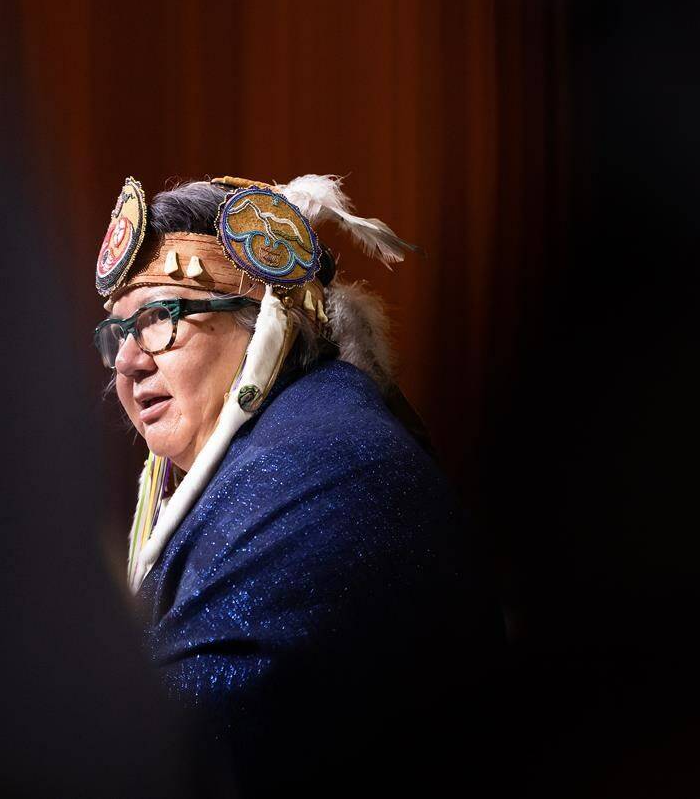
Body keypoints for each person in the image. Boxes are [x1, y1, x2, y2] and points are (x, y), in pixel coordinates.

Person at [93, 175, 504, 793]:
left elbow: (182, 756)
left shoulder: (322, 473)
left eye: (161, 317)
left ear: (266, 325)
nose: (128, 361)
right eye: (118, 333)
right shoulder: (278, 452)